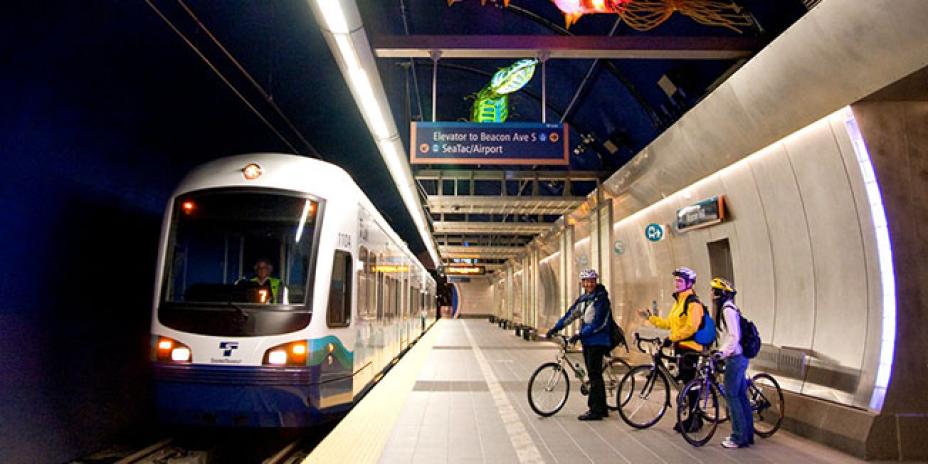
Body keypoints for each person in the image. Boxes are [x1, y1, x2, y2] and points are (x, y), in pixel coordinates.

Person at [636, 266, 706, 433]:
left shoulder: (693, 303)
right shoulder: (679, 302)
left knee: (690, 383)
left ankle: (696, 418)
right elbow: (670, 324)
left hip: (691, 348)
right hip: (680, 347)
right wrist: (650, 318)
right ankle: (690, 414)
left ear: (689, 284)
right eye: (676, 281)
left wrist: (671, 338)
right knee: (684, 380)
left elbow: (691, 327)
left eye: (680, 281)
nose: (677, 284)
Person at [546, 268, 613, 421]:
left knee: (594, 375)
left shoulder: (602, 299)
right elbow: (571, 314)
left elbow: (598, 323)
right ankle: (602, 408)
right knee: (594, 374)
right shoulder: (584, 299)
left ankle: (595, 410)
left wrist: (580, 334)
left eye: (592, 281)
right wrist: (556, 328)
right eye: (586, 281)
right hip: (588, 341)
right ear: (582, 283)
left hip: (599, 340)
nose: (589, 284)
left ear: (596, 281)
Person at [711, 277, 754, 449]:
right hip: (740, 356)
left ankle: (738, 437)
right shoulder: (730, 308)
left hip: (735, 358)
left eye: (714, 291)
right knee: (741, 396)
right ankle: (747, 434)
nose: (712, 294)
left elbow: (734, 336)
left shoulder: (727, 310)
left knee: (733, 397)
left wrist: (722, 352)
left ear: (720, 293)